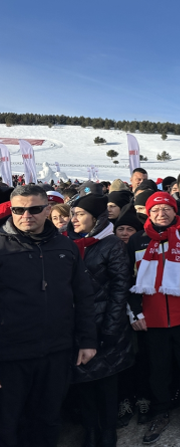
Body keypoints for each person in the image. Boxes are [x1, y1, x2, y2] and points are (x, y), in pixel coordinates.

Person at [0, 185, 97, 447]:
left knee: (47, 420)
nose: (26, 215)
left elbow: (83, 295)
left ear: (48, 210)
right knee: (6, 424)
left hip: (56, 351)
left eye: (34, 209)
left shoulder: (65, 246)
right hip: (10, 355)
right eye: (19, 209)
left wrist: (88, 340)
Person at [127, 192, 180, 444]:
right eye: (156, 209)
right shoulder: (137, 240)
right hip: (152, 318)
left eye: (167, 208)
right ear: (148, 213)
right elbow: (128, 280)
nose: (162, 213)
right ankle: (162, 410)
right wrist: (134, 313)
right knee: (158, 370)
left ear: (174, 211)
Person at [67, 192, 133, 447]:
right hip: (78, 326)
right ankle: (90, 429)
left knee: (106, 382)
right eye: (73, 214)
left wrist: (110, 328)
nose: (74, 219)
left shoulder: (111, 244)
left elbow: (119, 289)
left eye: (80, 214)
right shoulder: (68, 243)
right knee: (83, 382)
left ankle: (107, 430)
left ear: (95, 217)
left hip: (106, 325)